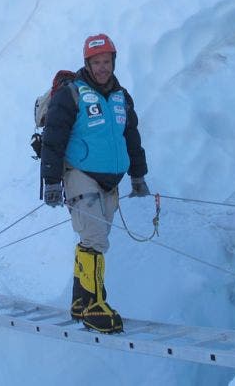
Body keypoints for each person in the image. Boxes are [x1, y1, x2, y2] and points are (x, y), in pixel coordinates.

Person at [40, 33, 150, 333]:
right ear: (87, 63)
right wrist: (51, 181)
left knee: (92, 240)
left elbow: (132, 137)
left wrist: (138, 175)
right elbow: (54, 138)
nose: (102, 68)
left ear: (113, 61)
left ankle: (79, 301)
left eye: (107, 61)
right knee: (96, 239)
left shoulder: (121, 97)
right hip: (80, 175)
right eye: (96, 62)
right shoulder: (72, 94)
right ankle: (94, 306)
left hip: (110, 181)